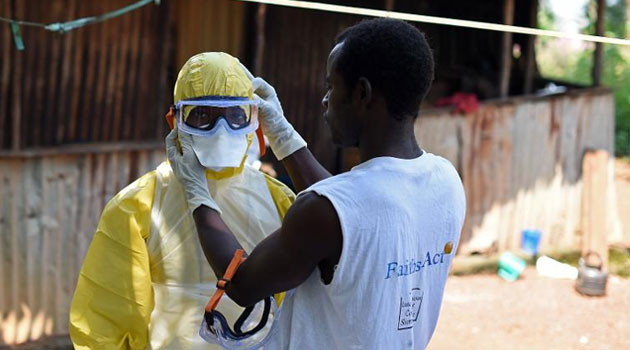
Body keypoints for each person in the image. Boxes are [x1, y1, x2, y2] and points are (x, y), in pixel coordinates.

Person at [167, 19, 466, 349]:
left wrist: (197, 193)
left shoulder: (325, 212)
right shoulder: (446, 181)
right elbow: (352, 214)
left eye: (331, 86)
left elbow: (240, 285)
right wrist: (284, 137)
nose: (325, 100)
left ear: (362, 94)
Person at [69, 52, 296, 350]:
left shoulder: (281, 201)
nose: (221, 130)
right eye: (202, 115)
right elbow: (104, 323)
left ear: (255, 119)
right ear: (175, 120)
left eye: (235, 116)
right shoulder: (137, 206)